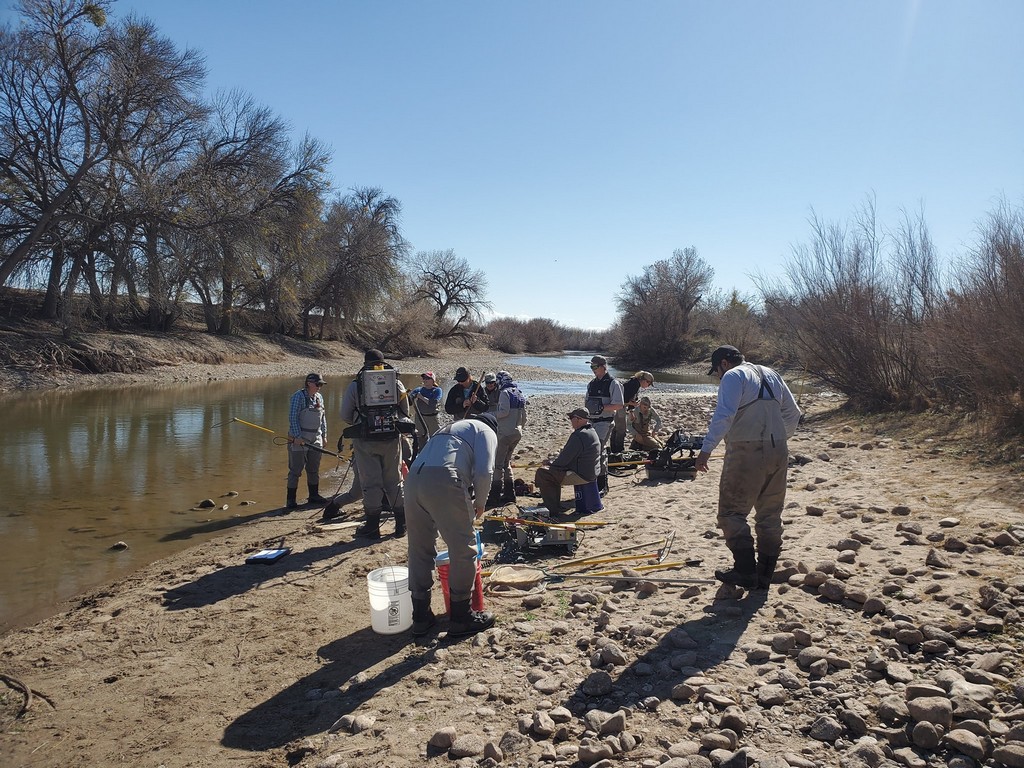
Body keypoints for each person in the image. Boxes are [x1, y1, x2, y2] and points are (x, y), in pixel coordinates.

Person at [695, 345, 802, 591]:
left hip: (746, 451)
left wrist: (706, 450)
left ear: (723, 364)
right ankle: (764, 575)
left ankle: (745, 571)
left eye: (717, 372)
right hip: (779, 450)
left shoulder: (733, 376)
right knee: (770, 514)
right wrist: (779, 439)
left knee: (731, 513)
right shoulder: (771, 373)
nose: (718, 377)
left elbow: (724, 415)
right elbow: (793, 413)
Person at [405, 412, 498, 638]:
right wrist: (481, 503)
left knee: (419, 549)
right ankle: (461, 616)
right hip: (444, 479)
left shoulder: (448, 429)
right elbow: (485, 472)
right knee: (463, 550)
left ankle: (420, 616)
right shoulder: (485, 431)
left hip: (413, 481)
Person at [340, 349, 413, 539]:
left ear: (364, 362)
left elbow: (345, 415)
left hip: (365, 441)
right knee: (394, 479)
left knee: (371, 482)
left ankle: (372, 527)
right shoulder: (396, 383)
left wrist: (361, 421)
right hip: (391, 439)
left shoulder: (355, 385)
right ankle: (400, 524)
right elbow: (405, 413)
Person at [534, 408, 601, 515]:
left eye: (571, 418)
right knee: (553, 471)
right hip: (591, 471)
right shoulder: (592, 431)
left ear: (578, 419)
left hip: (582, 475)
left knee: (543, 473)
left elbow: (563, 460)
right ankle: (554, 503)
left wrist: (549, 463)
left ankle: (552, 507)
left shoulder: (578, 435)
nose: (570, 421)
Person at [286, 372, 329, 509]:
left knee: (313, 469)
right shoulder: (298, 397)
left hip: (315, 438)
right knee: (295, 470)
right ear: (309, 383)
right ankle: (291, 500)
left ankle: (313, 496)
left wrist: (324, 435)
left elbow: (323, 418)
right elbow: (293, 418)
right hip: (299, 439)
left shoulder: (319, 397)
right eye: (318, 384)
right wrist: (297, 436)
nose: (319, 387)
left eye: (321, 385)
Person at [486, 370, 528, 505]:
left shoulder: (505, 393)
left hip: (505, 433)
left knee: (498, 464)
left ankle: (494, 496)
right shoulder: (519, 392)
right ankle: (510, 494)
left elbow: (504, 412)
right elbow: (524, 417)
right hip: (517, 432)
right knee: (507, 463)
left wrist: (489, 414)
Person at [584, 355, 625, 495]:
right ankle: (593, 482)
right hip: (591, 421)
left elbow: (619, 405)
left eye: (594, 367)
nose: (592, 370)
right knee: (590, 451)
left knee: (599, 451)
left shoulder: (613, 383)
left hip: (604, 422)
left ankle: (603, 485)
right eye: (591, 367)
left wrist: (602, 407)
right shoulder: (591, 384)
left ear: (603, 367)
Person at [610, 371, 655, 453]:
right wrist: (631, 403)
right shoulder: (634, 384)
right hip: (619, 406)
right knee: (621, 429)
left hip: (620, 406)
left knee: (617, 428)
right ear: (645, 381)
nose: (648, 386)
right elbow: (623, 399)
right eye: (649, 384)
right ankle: (618, 450)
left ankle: (613, 449)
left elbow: (631, 399)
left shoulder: (635, 383)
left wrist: (631, 411)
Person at [408, 371, 443, 452]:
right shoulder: (418, 389)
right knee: (421, 438)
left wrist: (421, 397)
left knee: (435, 437)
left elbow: (433, 404)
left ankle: (435, 453)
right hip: (420, 417)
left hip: (432, 417)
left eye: (428, 378)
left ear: (433, 380)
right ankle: (421, 454)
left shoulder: (437, 390)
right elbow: (409, 401)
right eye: (424, 378)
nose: (425, 380)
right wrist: (409, 396)